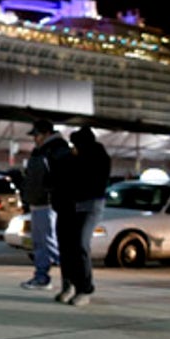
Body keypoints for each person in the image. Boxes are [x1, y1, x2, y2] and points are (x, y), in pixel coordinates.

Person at [53, 126, 110, 307]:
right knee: (68, 246)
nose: (73, 147)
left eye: (75, 144)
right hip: (70, 205)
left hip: (89, 204)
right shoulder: (72, 158)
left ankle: (84, 288)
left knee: (80, 244)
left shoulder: (97, 158)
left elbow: (90, 181)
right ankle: (69, 285)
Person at [20, 119, 66, 290]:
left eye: (37, 134)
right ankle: (41, 277)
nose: (35, 138)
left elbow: (59, 177)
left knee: (48, 243)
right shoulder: (41, 150)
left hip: (47, 203)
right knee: (40, 244)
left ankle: (72, 275)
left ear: (47, 133)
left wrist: (48, 192)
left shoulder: (57, 150)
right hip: (38, 202)